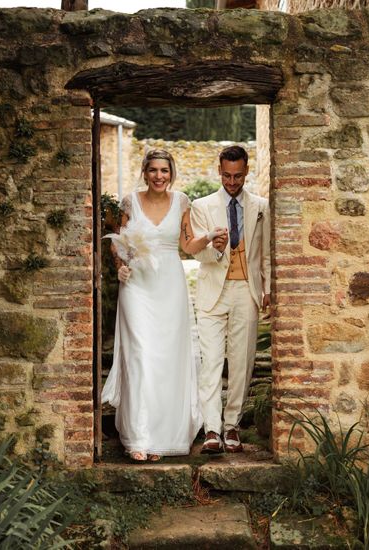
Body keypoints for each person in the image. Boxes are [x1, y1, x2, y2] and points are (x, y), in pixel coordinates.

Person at [102, 149, 227, 462]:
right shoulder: (130, 202)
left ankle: (160, 438)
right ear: (145, 172)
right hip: (137, 286)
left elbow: (187, 245)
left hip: (170, 285)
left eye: (165, 171)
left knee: (166, 360)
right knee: (140, 355)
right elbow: (118, 242)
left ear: (171, 174)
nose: (159, 176)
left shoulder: (181, 201)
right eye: (154, 170)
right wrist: (120, 265)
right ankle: (139, 437)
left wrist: (209, 237)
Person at [189, 145, 271, 454]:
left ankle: (232, 425)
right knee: (210, 362)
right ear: (219, 171)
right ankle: (212, 429)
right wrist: (216, 246)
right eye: (226, 175)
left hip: (245, 292)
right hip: (213, 292)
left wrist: (268, 289)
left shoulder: (261, 206)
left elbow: (265, 255)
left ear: (247, 171)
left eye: (237, 176)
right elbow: (200, 253)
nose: (232, 182)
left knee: (241, 362)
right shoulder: (202, 206)